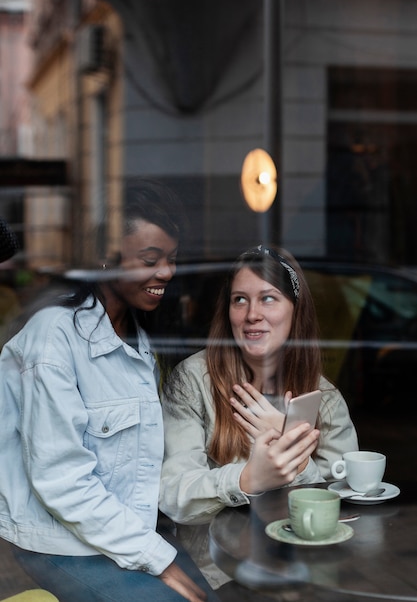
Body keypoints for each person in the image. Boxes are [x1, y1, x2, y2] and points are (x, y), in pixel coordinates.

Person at [0, 180, 219, 602]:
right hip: (58, 543)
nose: (167, 273)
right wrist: (160, 560)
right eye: (150, 259)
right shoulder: (54, 337)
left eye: (171, 259)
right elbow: (62, 482)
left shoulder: (141, 338)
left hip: (122, 533)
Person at [159, 244, 359, 593]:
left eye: (268, 298)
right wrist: (246, 479)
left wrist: (292, 453)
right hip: (220, 577)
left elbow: (345, 511)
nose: (252, 314)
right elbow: (173, 495)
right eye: (240, 300)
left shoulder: (323, 397)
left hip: (303, 577)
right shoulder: (193, 381)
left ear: (296, 311)